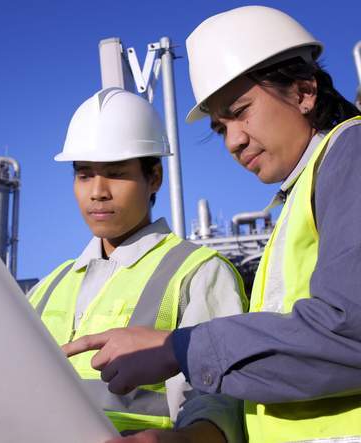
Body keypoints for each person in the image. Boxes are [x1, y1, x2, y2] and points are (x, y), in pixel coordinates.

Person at [63, 6, 361, 443]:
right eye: (221, 128)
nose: (234, 141)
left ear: (303, 91)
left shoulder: (350, 151)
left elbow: (349, 330)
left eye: (241, 111)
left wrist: (177, 348)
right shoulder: (305, 192)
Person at [29, 87, 247, 440]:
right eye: (84, 174)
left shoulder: (198, 272)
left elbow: (221, 403)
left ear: (155, 178)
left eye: (115, 173)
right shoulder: (48, 287)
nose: (97, 190)